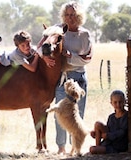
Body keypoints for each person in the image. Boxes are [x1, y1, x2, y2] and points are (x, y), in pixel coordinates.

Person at [53, 1, 93, 154]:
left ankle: (74, 147)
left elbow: (87, 58)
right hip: (63, 78)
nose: (70, 18)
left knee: (77, 114)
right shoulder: (57, 30)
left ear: (79, 16)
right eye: (67, 15)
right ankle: (61, 147)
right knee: (60, 113)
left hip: (79, 78)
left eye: (73, 15)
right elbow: (44, 46)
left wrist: (70, 56)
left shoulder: (85, 34)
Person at [89, 90, 128, 154]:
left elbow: (122, 132)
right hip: (109, 142)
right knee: (97, 124)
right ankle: (98, 146)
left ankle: (98, 149)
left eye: (120, 102)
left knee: (92, 149)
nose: (118, 104)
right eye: (115, 102)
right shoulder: (111, 117)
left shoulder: (126, 116)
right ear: (111, 103)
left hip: (118, 145)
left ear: (124, 102)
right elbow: (108, 130)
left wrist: (108, 135)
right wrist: (96, 134)